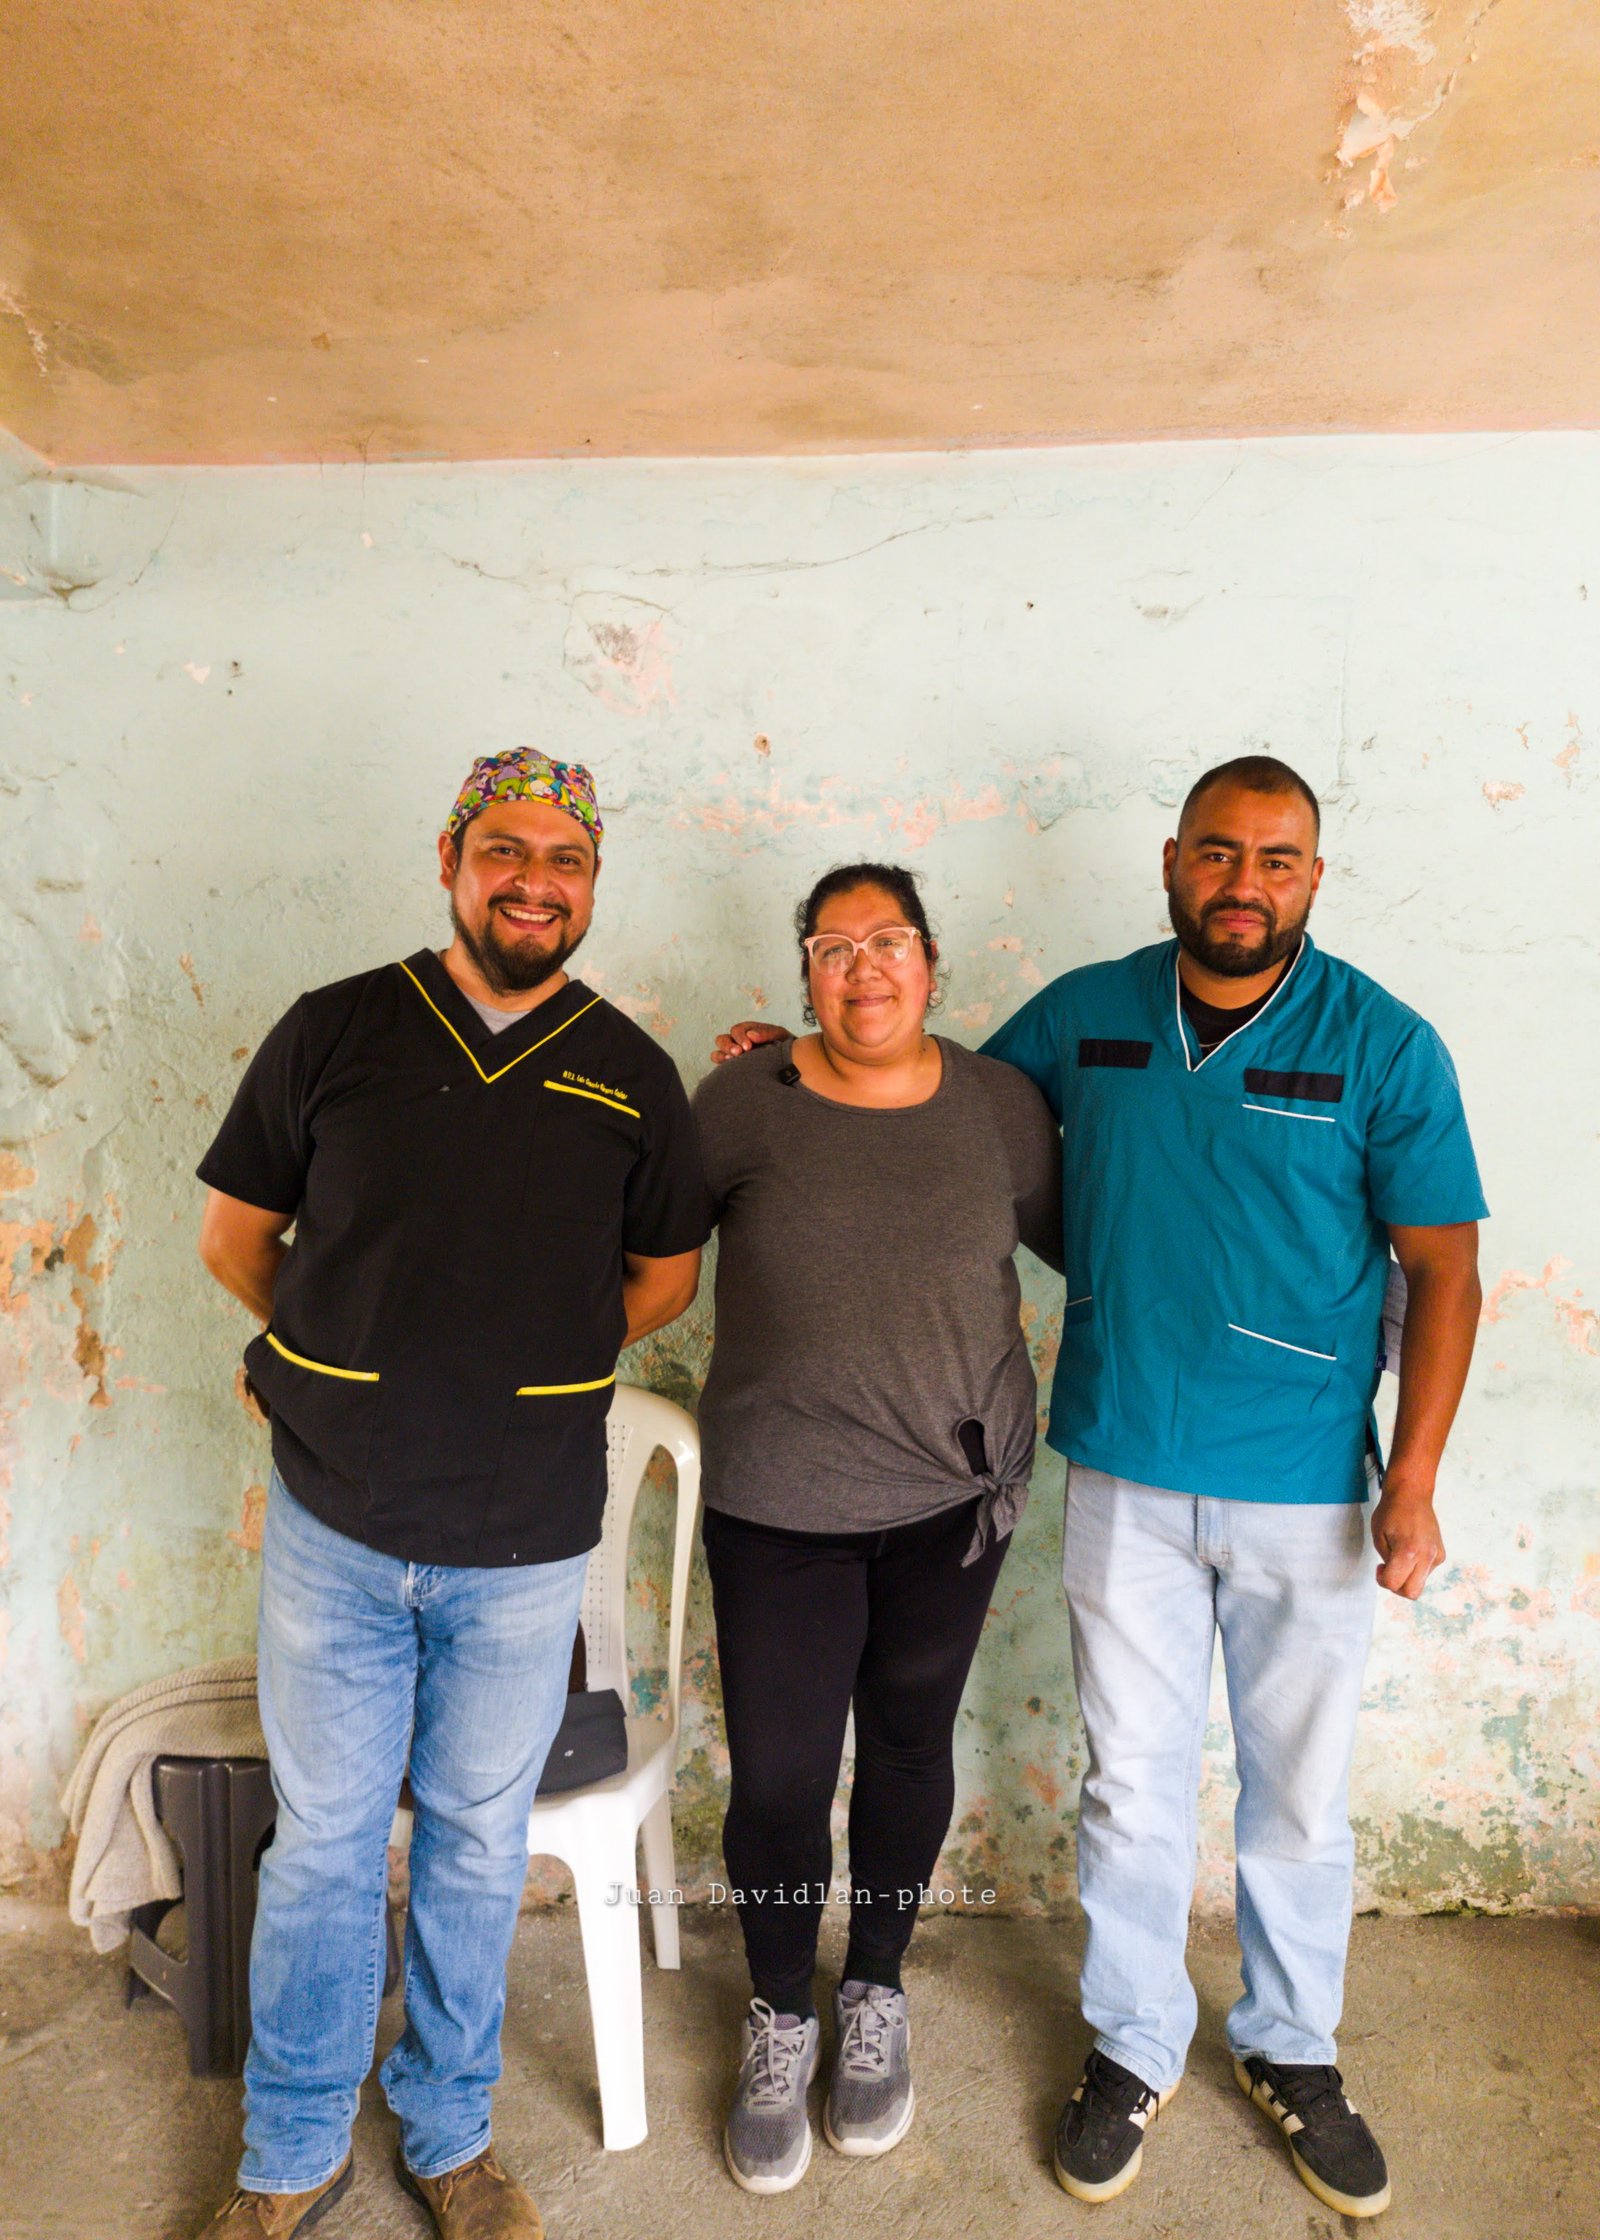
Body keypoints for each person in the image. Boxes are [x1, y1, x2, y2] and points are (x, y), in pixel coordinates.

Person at [716, 756, 1485, 2220]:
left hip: (1308, 1481)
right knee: (1132, 1789)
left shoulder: (1384, 1044)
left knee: (1298, 1797)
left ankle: (1293, 2051)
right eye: (1217, 854)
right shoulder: (1087, 1016)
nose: (1243, 883)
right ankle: (1131, 2049)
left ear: (1312, 877)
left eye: (1276, 859)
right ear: (1173, 863)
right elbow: (927, 1101)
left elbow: (1445, 1269)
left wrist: (1419, 1481)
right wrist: (799, 1060)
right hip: (1122, 1461)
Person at [193, 750, 710, 2240]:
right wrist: (338, 1357)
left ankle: (450, 2135)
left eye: (566, 858)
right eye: (505, 848)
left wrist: (523, 1365)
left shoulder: (630, 1071)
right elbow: (240, 1235)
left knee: (480, 1847)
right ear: (451, 857)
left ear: (591, 887)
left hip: (523, 1543)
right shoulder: (339, 1028)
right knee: (329, 1847)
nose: (534, 878)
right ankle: (289, 2157)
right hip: (337, 1527)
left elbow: (662, 1278)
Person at [694, 861, 1062, 2194]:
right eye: (835, 945)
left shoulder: (1003, 1109)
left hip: (948, 1508)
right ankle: (784, 2009)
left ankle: (878, 1993)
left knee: (908, 1750)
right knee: (783, 1782)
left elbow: (1092, 1236)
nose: (865, 968)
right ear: (804, 968)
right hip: (777, 1504)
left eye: (890, 940)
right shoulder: (740, 1102)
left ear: (932, 960)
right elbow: (654, 1251)